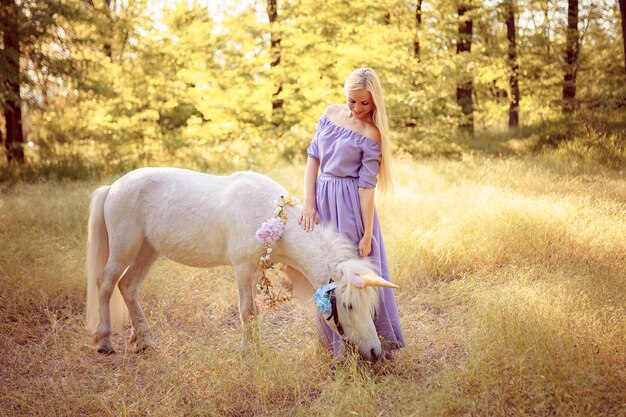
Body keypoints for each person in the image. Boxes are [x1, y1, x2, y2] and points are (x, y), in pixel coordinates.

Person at [298, 67, 405, 360]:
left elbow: (367, 188)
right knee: (327, 272)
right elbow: (313, 159)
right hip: (322, 200)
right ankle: (337, 346)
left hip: (350, 207)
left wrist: (367, 233)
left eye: (365, 103)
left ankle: (374, 343)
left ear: (375, 102)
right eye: (352, 101)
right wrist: (309, 204)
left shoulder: (372, 134)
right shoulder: (330, 114)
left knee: (354, 276)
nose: (357, 108)